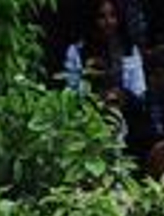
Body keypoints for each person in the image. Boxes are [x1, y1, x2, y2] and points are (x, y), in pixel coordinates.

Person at [63, 0, 150, 148]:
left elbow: (140, 93)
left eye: (112, 16)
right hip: (88, 125)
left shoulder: (129, 50)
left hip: (127, 123)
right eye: (102, 17)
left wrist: (120, 95)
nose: (108, 22)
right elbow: (71, 93)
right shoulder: (77, 50)